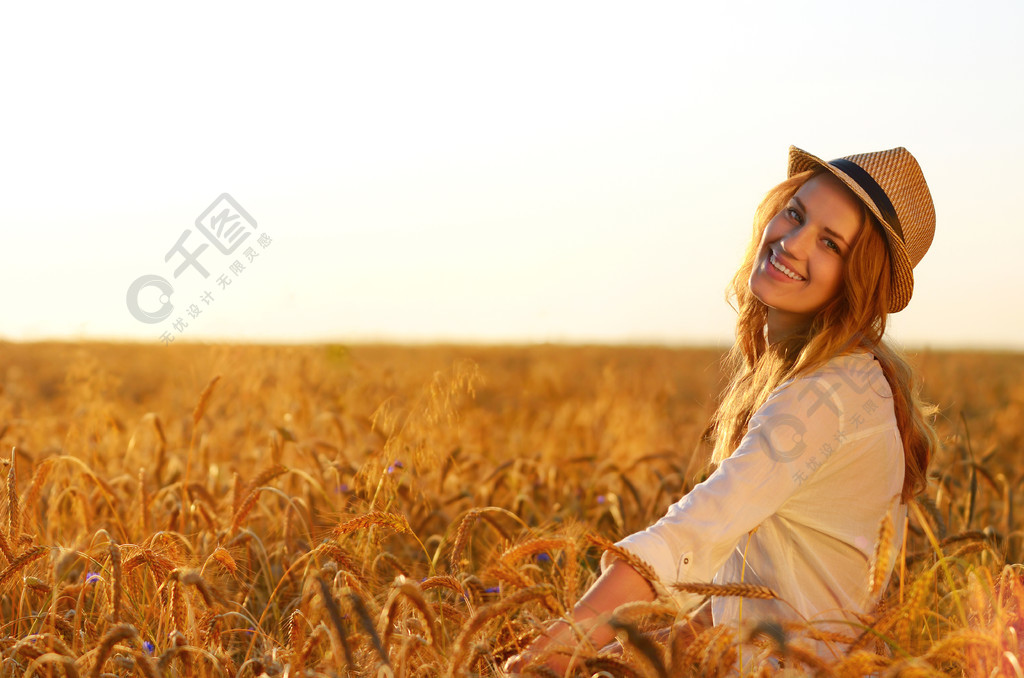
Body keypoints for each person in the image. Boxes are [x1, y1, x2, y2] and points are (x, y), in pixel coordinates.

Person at [504, 145, 939, 673]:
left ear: (859, 279)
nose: (792, 243)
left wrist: (563, 644)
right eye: (795, 214)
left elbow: (692, 535)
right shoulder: (851, 376)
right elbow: (757, 594)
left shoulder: (823, 396)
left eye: (830, 243)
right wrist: (633, 656)